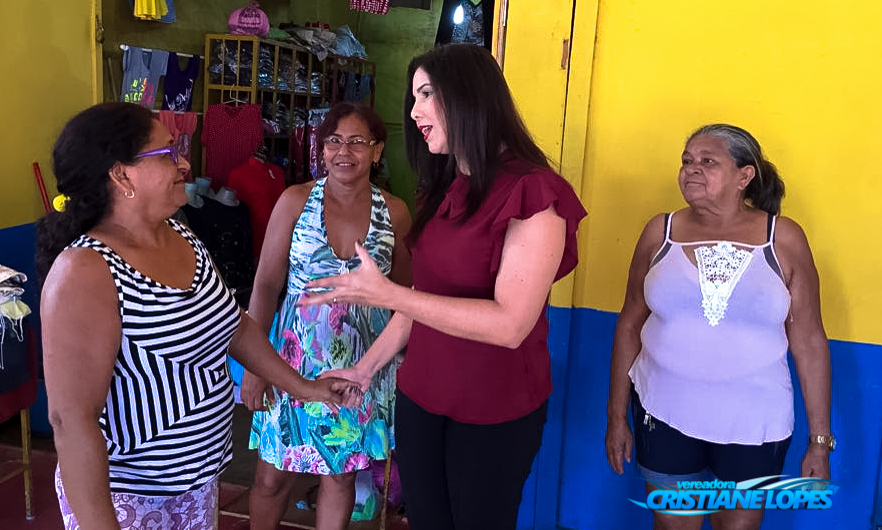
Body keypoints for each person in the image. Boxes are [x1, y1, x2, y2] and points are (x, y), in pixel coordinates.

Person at [300, 43, 587, 530]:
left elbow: (511, 324)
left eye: (426, 94)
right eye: (414, 98)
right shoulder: (446, 187)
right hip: (423, 397)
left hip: (492, 407)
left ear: (469, 97)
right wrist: (366, 369)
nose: (413, 113)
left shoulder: (534, 193)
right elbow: (424, 302)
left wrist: (387, 294)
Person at [36, 102, 359, 530]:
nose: (184, 163)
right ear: (120, 174)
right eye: (167, 153)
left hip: (196, 484)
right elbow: (71, 420)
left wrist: (305, 387)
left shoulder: (179, 233)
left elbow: (234, 325)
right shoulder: (86, 271)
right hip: (129, 498)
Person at [604, 124, 832, 530]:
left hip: (754, 423)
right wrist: (616, 415)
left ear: (745, 176)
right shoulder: (661, 232)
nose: (692, 169)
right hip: (664, 412)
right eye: (687, 161)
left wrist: (819, 442)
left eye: (708, 161)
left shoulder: (783, 240)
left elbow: (810, 342)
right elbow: (629, 324)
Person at [240, 101, 413, 530]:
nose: (344, 152)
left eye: (357, 142)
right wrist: (255, 367)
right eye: (333, 141)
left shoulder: (395, 213)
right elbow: (264, 285)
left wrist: (399, 367)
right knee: (271, 477)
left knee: (341, 472)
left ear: (376, 151)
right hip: (290, 360)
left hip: (361, 367)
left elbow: (406, 298)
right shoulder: (294, 201)